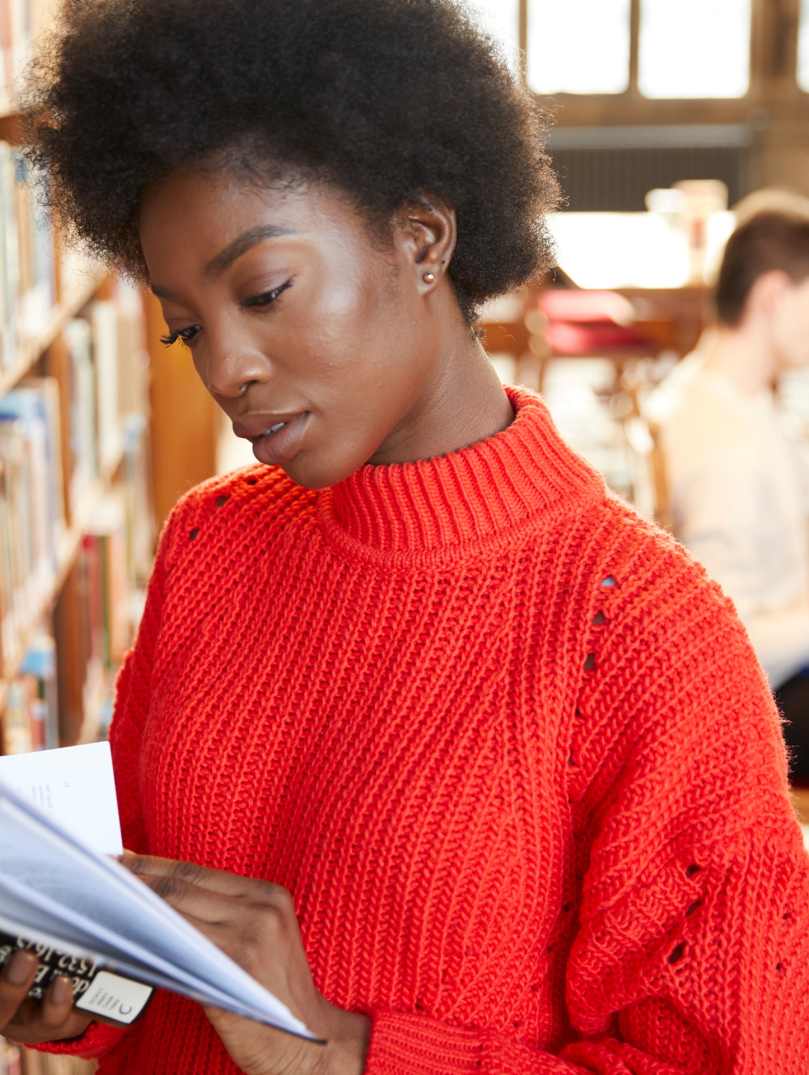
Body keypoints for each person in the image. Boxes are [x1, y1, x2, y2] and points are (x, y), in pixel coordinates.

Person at [1, 1, 807, 1071]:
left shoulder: (645, 642)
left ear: (421, 237)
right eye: (186, 325)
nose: (224, 366)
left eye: (265, 290)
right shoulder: (213, 541)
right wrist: (80, 986)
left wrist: (342, 1051)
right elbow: (150, 924)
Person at [647, 192, 809, 779]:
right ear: (773, 295)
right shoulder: (728, 448)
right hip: (771, 699)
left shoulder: (705, 390)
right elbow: (730, 639)